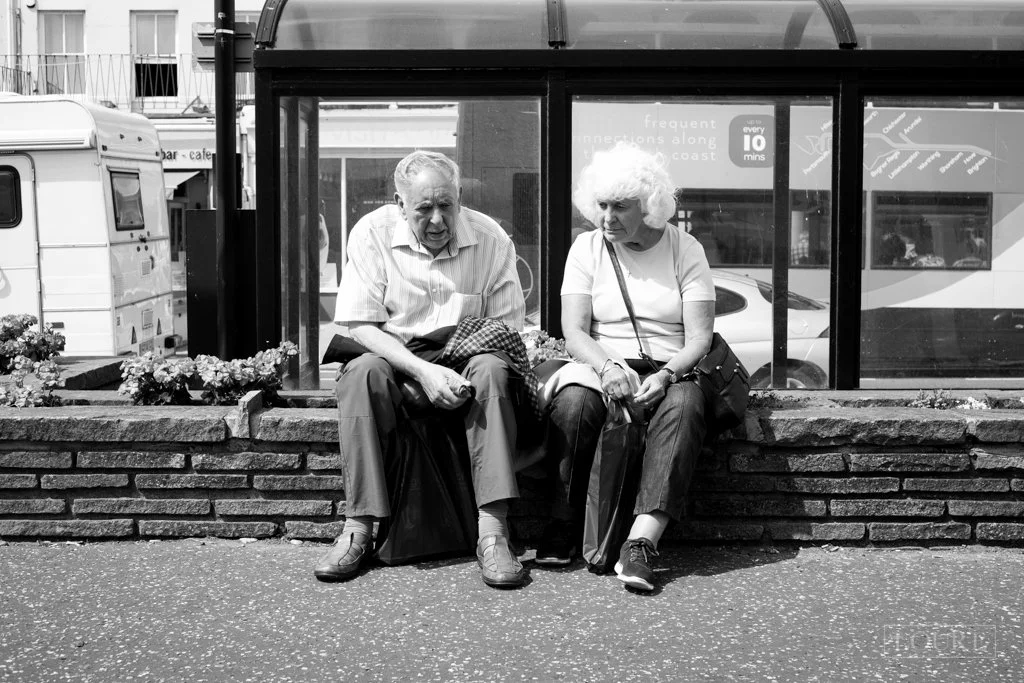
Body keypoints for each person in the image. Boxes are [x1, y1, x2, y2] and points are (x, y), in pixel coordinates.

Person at [314, 150, 529, 589]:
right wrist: (422, 372)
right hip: (394, 353)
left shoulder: (492, 240)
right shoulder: (371, 233)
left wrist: (449, 371)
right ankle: (358, 528)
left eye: (446, 206)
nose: (436, 220)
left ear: (460, 198)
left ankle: (493, 533)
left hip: (466, 355)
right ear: (399, 204)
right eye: (423, 209)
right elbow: (360, 324)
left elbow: (505, 332)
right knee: (360, 375)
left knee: (492, 369)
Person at [537, 142, 716, 592]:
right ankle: (562, 520)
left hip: (669, 366)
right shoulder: (586, 248)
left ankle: (641, 544)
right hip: (603, 363)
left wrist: (667, 375)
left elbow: (700, 337)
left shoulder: (685, 248)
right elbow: (574, 331)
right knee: (573, 403)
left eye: (621, 207)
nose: (608, 218)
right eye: (602, 205)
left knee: (686, 404)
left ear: (650, 206)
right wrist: (607, 368)